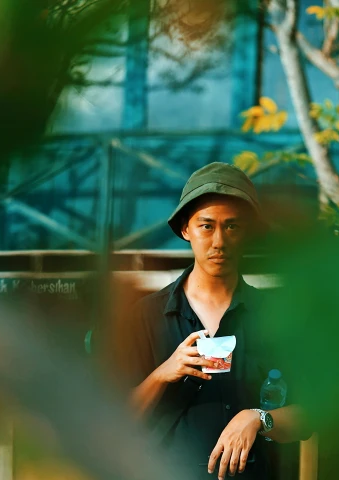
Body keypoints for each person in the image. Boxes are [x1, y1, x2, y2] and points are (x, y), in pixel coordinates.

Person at [125, 163, 309, 480]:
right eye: (206, 227)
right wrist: (161, 375)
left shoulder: (278, 317)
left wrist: (258, 418)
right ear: (186, 229)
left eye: (232, 227)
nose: (219, 241)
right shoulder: (144, 316)